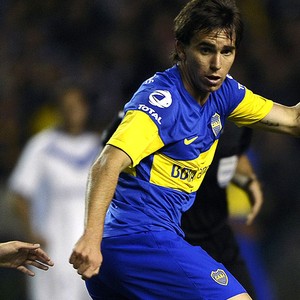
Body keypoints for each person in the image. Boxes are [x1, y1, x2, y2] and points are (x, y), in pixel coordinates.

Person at [69, 0, 300, 299]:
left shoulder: (225, 93)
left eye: (226, 51)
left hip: (132, 249)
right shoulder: (161, 102)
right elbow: (106, 163)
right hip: (140, 240)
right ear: (181, 49)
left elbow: (292, 120)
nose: (217, 64)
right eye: (205, 50)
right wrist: (90, 237)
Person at [8, 83, 100, 300]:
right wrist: (31, 232)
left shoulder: (97, 146)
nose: (72, 112)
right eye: (66, 107)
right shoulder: (42, 145)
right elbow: (20, 193)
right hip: (52, 244)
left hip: (89, 242)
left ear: (85, 108)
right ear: (58, 110)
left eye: (76, 106)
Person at [181, 122, 262, 299]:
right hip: (187, 241)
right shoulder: (179, 123)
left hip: (221, 235)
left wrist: (251, 184)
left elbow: (237, 158)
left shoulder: (238, 125)